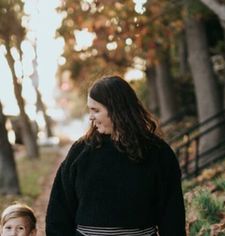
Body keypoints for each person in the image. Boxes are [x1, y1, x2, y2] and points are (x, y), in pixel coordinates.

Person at [46, 75, 186, 236]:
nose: (91, 117)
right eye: (90, 110)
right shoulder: (80, 152)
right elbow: (59, 212)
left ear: (116, 109)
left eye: (96, 110)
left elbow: (172, 215)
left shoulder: (157, 152)